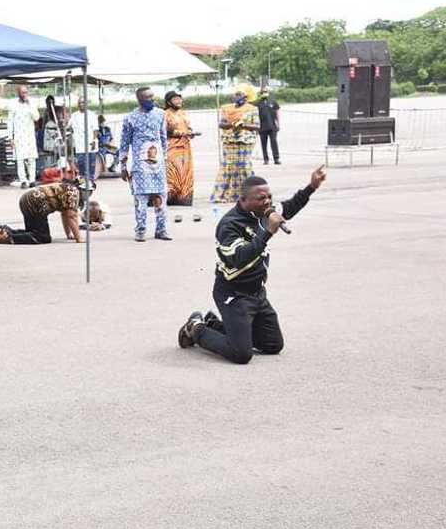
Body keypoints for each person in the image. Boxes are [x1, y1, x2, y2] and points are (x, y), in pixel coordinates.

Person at [179, 167, 327, 364]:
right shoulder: (229, 225)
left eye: (269, 196)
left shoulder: (265, 213)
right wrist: (267, 234)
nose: (267, 201)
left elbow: (290, 207)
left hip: (257, 292)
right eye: (261, 198)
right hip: (234, 294)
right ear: (243, 200)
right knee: (241, 354)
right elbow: (239, 257)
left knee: (273, 345)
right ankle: (195, 328)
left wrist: (312, 186)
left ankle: (213, 323)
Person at [119, 87, 171, 242]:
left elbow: (163, 137)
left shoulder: (160, 114)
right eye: (148, 98)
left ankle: (161, 230)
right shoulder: (131, 118)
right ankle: (140, 230)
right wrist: (123, 166)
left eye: (153, 97)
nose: (152, 100)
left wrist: (165, 158)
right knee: (140, 199)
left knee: (160, 197)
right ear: (139, 99)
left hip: (158, 164)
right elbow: (124, 143)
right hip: (140, 165)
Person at [0, 179, 84, 245]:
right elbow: (71, 216)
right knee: (43, 237)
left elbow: (65, 214)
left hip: (27, 198)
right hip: (36, 200)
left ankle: (6, 231)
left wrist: (69, 234)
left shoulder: (67, 187)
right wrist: (78, 238)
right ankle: (8, 238)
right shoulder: (74, 191)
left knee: (33, 232)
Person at [210, 86, 260, 203]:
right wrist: (233, 124)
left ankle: (249, 195)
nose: (236, 96)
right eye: (235, 94)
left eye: (239, 94)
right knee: (228, 166)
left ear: (246, 96)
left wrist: (243, 125)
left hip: (245, 141)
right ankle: (223, 195)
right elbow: (221, 124)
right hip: (229, 140)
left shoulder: (252, 109)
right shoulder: (226, 108)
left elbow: (257, 126)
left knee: (244, 166)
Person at [164, 90, 201, 221]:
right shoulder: (165, 114)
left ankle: (183, 197)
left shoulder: (184, 113)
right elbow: (165, 130)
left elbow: (188, 126)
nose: (178, 101)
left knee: (185, 172)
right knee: (173, 172)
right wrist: (181, 133)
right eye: (175, 99)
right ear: (169, 102)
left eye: (180, 99)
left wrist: (190, 132)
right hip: (172, 147)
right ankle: (170, 197)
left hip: (186, 147)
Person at [7, 85, 39, 188]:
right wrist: (10, 138)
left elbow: (36, 117)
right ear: (19, 93)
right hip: (18, 136)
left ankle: (32, 180)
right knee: (20, 160)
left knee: (31, 159)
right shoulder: (13, 105)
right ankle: (23, 180)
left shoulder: (31, 104)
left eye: (26, 92)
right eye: (23, 92)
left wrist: (31, 106)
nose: (25, 94)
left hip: (29, 135)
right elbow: (10, 122)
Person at [70, 98, 97, 180]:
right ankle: (83, 185)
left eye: (83, 102)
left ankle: (90, 184)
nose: (81, 104)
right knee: (81, 166)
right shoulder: (74, 115)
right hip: (79, 146)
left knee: (90, 168)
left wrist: (94, 140)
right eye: (79, 103)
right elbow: (68, 126)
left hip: (90, 144)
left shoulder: (92, 115)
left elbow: (95, 129)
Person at [256, 86, 281, 165]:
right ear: (260, 94)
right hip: (262, 127)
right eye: (262, 92)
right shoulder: (258, 103)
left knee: (274, 142)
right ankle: (266, 159)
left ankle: (276, 158)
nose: (264, 93)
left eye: (265, 92)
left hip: (272, 126)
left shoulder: (272, 101)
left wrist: (278, 123)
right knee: (264, 144)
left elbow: (277, 111)